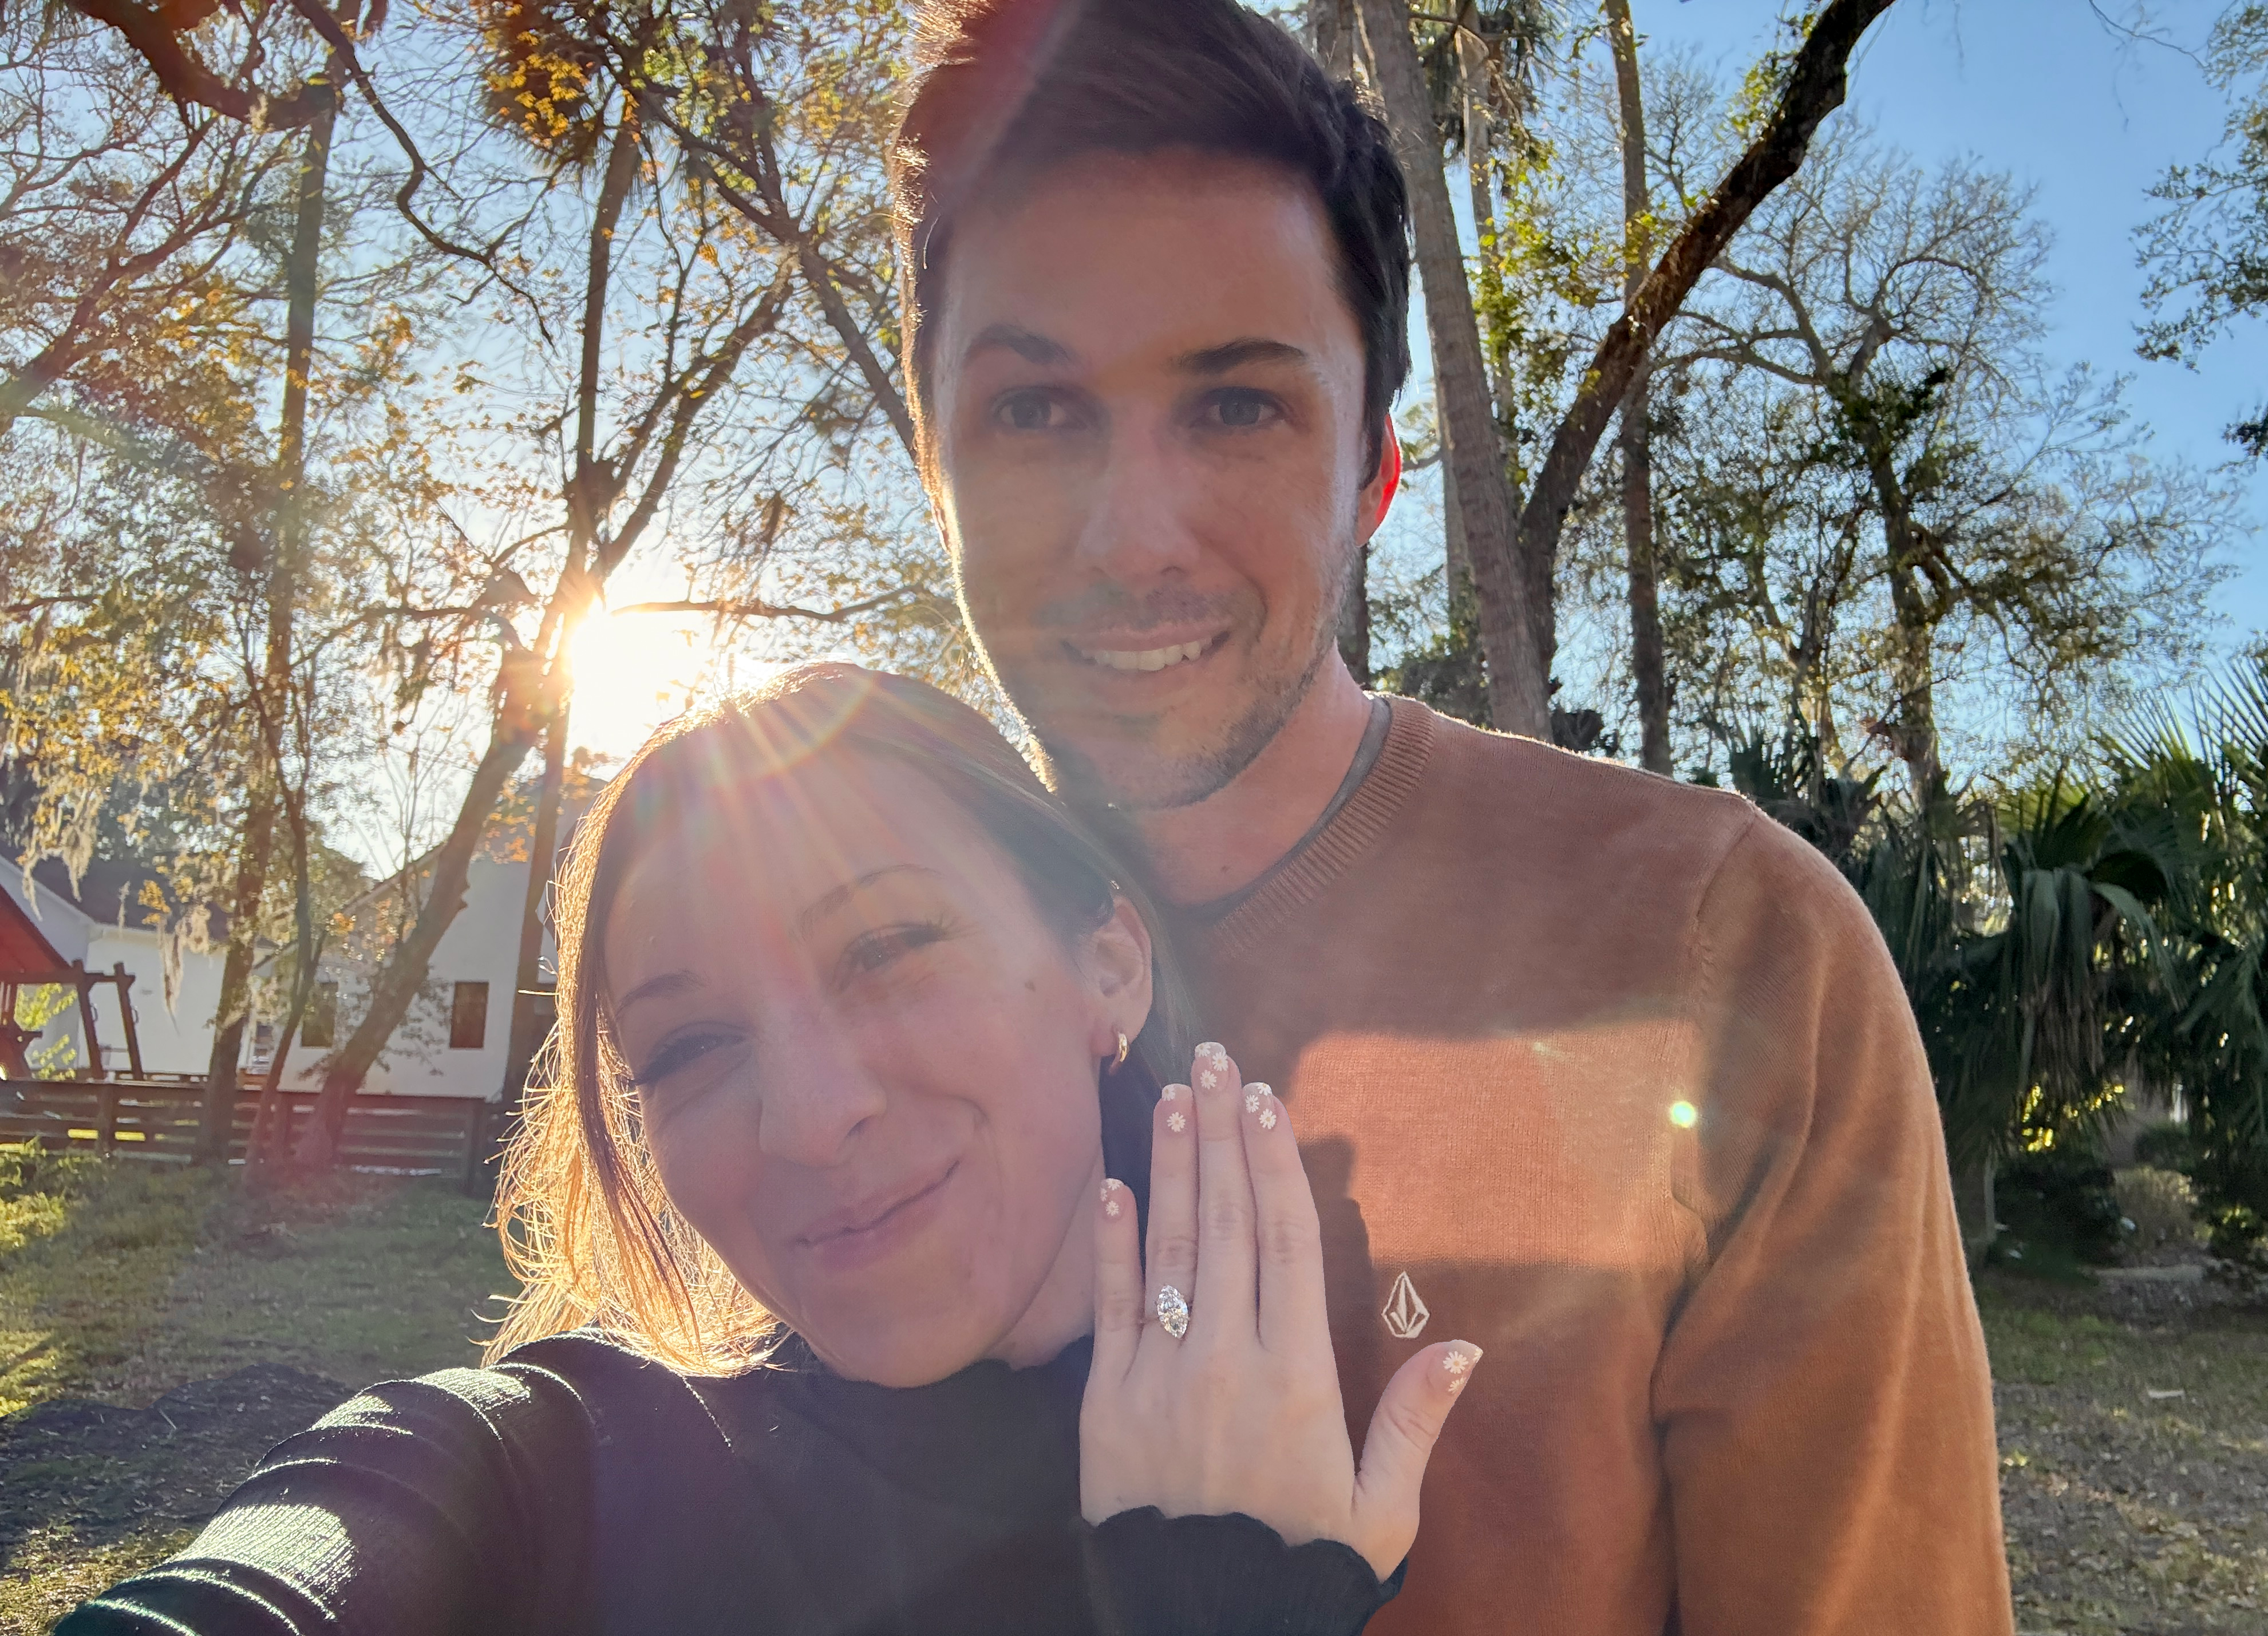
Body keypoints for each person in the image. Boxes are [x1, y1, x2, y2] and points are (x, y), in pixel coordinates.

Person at [891, 0, 2014, 1631]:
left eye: (1236, 407)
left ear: (1371, 473)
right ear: (934, 459)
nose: (1130, 535)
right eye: (1037, 411)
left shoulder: (1717, 952)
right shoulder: (851, 963)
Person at [60, 666, 1483, 1636]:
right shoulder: (557, 1466)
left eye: (885, 949)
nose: (806, 1118)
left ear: (1107, 962)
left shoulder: (1371, 1431)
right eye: (686, 1049)